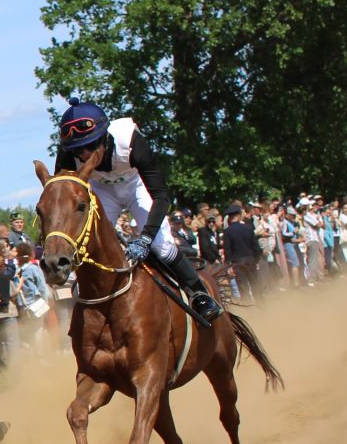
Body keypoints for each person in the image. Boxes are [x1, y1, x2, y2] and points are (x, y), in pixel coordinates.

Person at [51, 102, 221, 323]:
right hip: (102, 190)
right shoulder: (66, 153)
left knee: (161, 246)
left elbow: (161, 197)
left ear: (104, 137)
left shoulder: (131, 142)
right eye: (77, 150)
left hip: (136, 184)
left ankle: (200, 294)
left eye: (90, 146)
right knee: (89, 245)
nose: (83, 154)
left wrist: (145, 238)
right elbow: (61, 197)